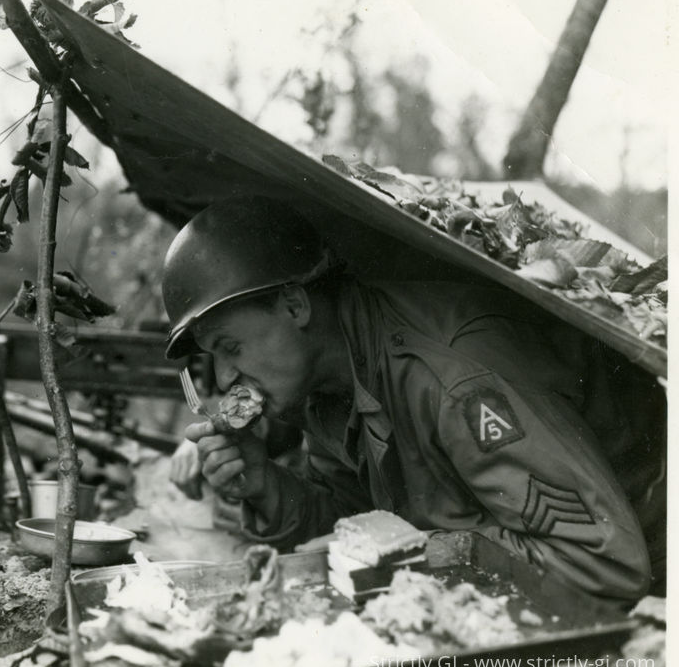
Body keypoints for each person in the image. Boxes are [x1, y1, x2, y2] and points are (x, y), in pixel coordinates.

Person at [162, 195, 665, 603]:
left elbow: (603, 565)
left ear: (294, 304)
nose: (226, 377)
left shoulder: (454, 375)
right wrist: (266, 487)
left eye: (230, 347)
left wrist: (415, 557)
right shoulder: (327, 386)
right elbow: (353, 524)